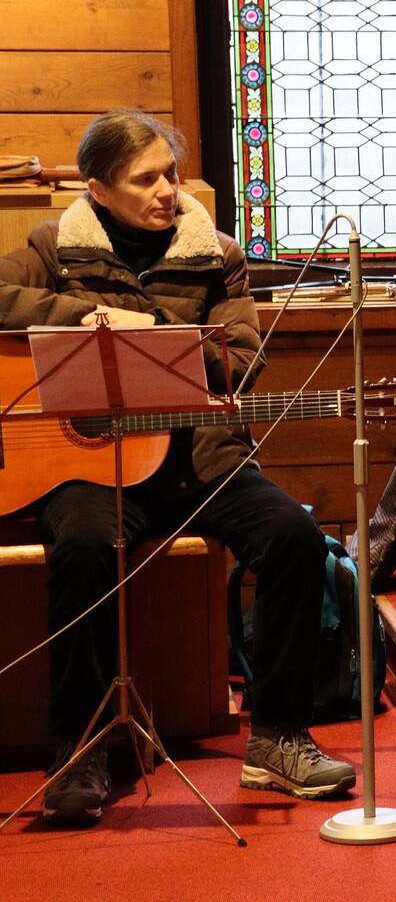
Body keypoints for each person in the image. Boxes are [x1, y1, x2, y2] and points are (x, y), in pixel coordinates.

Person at [0, 111, 355, 825]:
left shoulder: (216, 254)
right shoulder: (51, 246)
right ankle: (79, 746)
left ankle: (277, 736)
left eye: (171, 173)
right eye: (145, 180)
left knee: (293, 537)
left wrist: (164, 340)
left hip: (199, 457)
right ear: (100, 190)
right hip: (92, 467)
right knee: (82, 546)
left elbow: (243, 361)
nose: (167, 191)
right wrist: (89, 320)